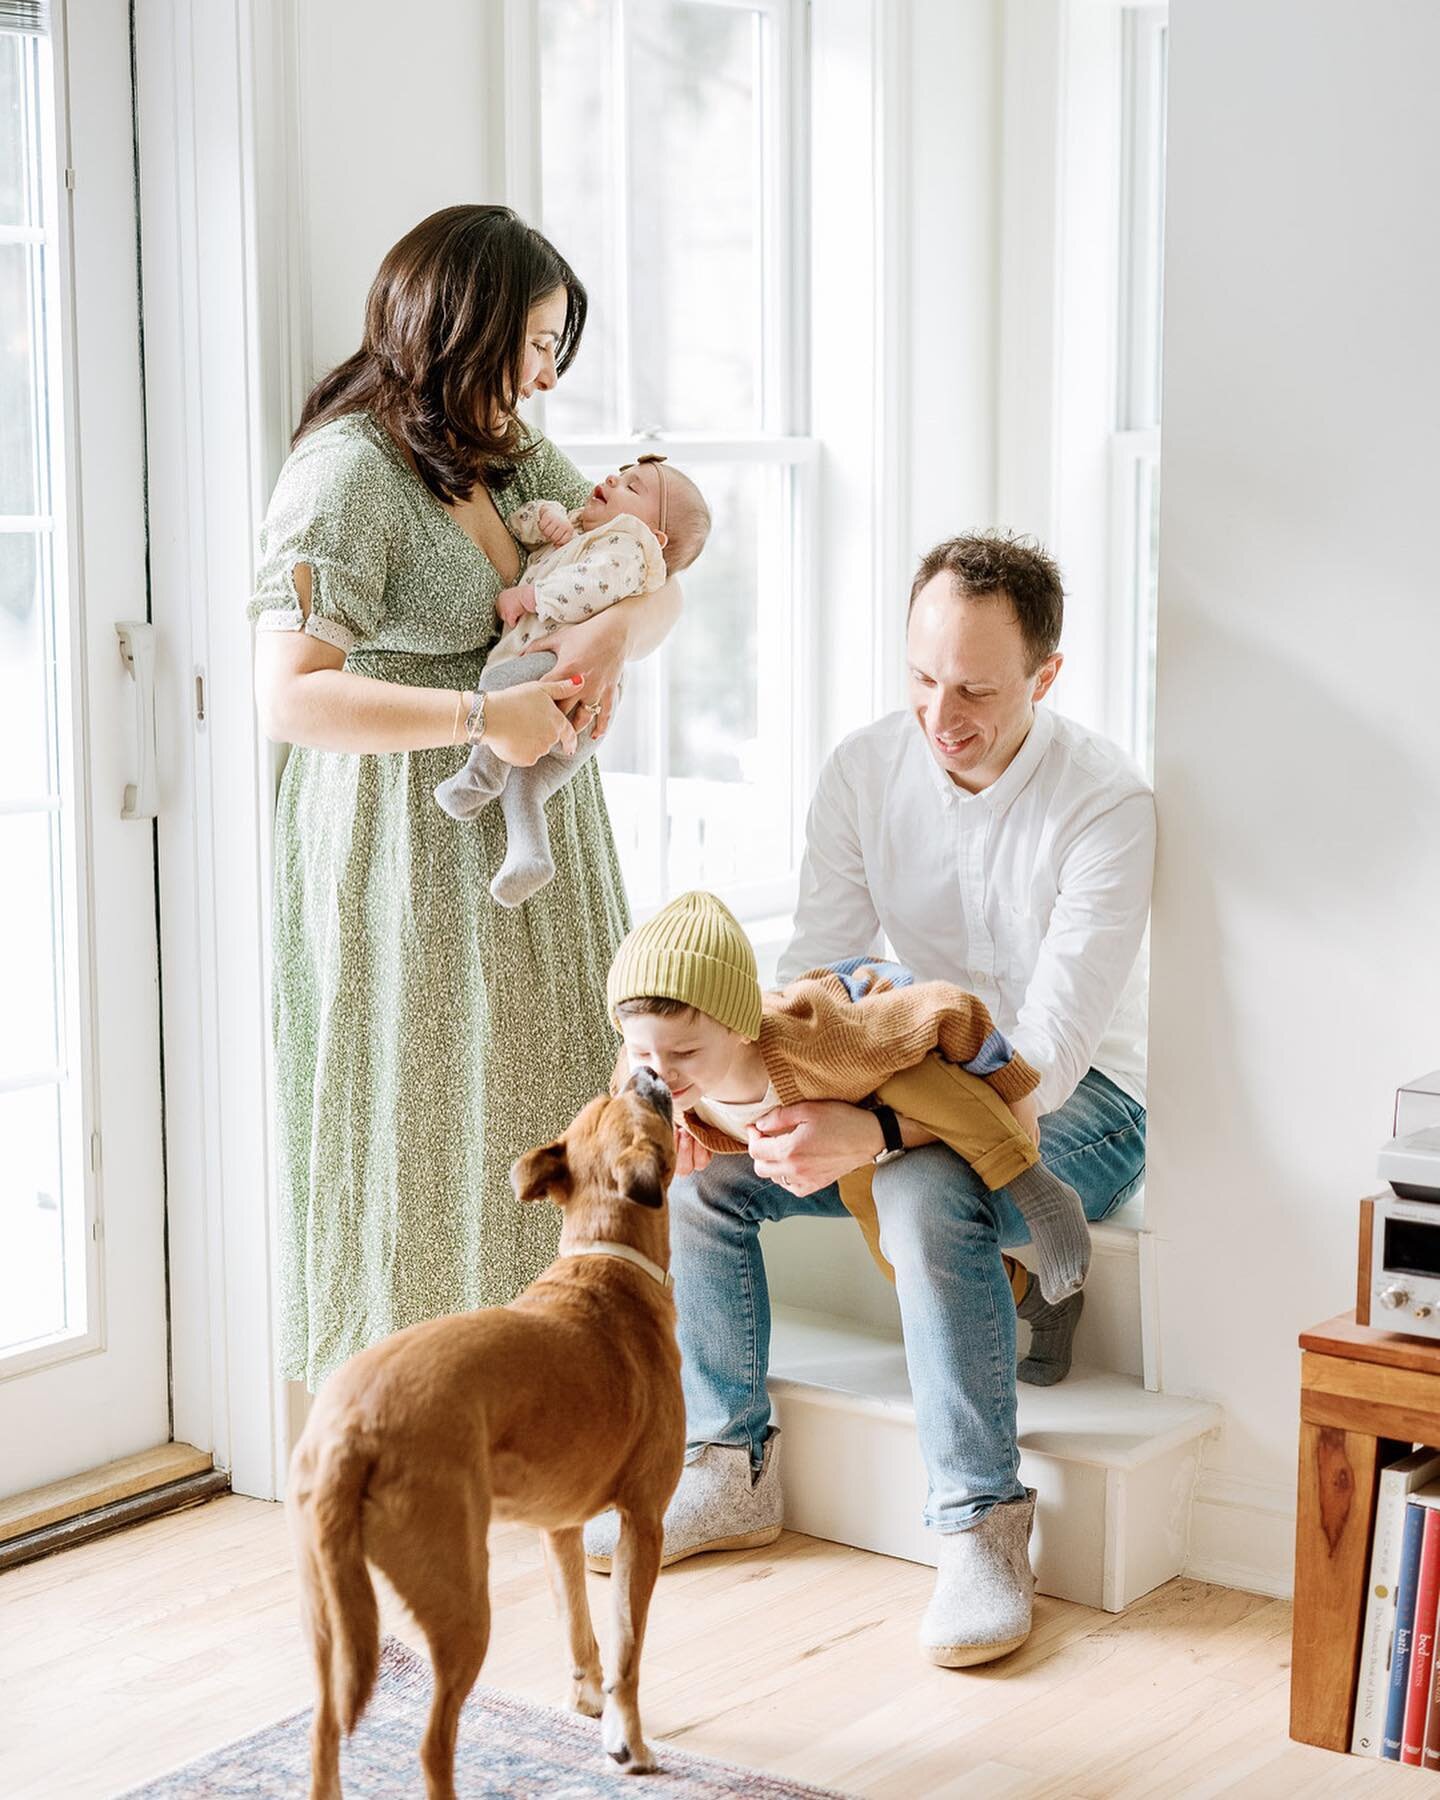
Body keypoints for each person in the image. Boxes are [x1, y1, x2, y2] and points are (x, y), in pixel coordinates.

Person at [588, 533, 1154, 1670]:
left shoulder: (1106, 806)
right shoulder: (863, 769)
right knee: (704, 1183)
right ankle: (728, 1461)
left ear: (1045, 678)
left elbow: (1038, 1054)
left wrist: (875, 1130)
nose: (940, 713)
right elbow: (814, 978)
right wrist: (740, 1102)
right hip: (890, 1065)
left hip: (1083, 1102)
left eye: (977, 690)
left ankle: (980, 1525)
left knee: (928, 1185)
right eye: (921, 677)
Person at [248, 204, 681, 1392]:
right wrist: (485, 716)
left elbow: (657, 580)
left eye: (555, 346)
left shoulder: (508, 451)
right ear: (462, 329)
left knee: (548, 1090)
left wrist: (602, 648)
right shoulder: (345, 474)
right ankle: (410, 1398)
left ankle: (546, 1391)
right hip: (406, 834)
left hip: (535, 818)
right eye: (535, 342)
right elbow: (289, 697)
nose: (546, 376)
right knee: (423, 1117)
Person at [434, 453, 711, 907]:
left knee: (503, 695)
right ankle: (530, 854)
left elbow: (588, 588)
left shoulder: (628, 550)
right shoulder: (585, 528)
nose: (611, 478)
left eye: (632, 487)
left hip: (561, 677)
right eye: (621, 473)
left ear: (653, 536)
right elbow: (521, 529)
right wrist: (545, 518)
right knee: (527, 785)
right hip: (573, 699)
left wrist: (531, 595)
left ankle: (481, 776)